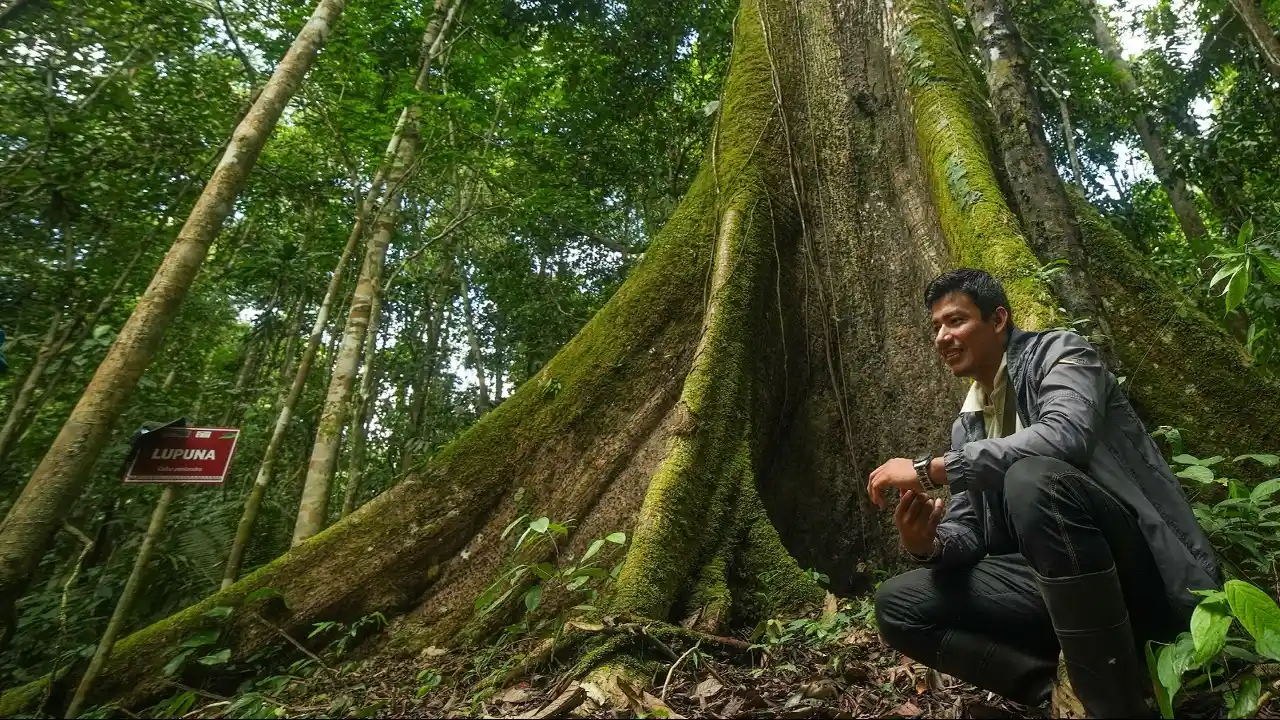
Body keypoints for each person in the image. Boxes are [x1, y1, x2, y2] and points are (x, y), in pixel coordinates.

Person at [867, 268, 1220, 717]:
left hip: (1136, 574)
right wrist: (927, 545)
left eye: (955, 321)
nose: (942, 336)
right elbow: (969, 529)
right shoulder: (968, 424)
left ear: (998, 320)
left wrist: (931, 469)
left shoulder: (1061, 352)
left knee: (1031, 479)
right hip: (1053, 589)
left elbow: (1065, 435)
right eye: (936, 327)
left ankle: (1114, 706)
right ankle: (1050, 694)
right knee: (897, 604)